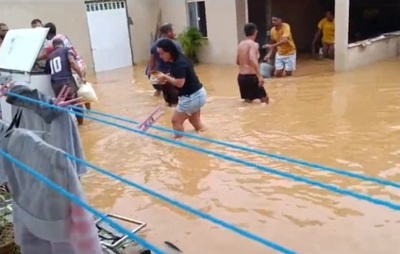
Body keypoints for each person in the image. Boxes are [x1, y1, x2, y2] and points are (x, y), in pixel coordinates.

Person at [155, 39, 207, 139]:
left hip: (191, 97)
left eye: (162, 54)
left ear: (169, 51)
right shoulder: (180, 58)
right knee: (195, 121)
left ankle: (180, 145)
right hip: (199, 94)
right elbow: (182, 76)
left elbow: (180, 83)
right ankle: (207, 139)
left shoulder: (178, 63)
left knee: (176, 121)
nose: (160, 57)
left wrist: (165, 77)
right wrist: (167, 77)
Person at [42, 22, 91, 110]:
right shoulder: (62, 37)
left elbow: (47, 66)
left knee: (66, 103)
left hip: (62, 78)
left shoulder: (51, 48)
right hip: (77, 67)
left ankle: (75, 119)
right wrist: (82, 76)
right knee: (82, 94)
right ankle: (88, 114)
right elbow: (72, 60)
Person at [45, 39, 85, 125]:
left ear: (54, 46)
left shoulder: (49, 56)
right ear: (62, 44)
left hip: (55, 85)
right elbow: (72, 62)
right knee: (76, 103)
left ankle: (66, 127)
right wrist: (82, 76)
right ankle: (81, 126)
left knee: (62, 107)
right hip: (67, 82)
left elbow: (47, 72)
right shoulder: (66, 50)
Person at [147, 23, 182, 106]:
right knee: (174, 102)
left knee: (164, 96)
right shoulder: (175, 45)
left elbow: (152, 61)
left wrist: (150, 73)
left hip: (157, 75)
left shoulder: (154, 44)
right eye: (173, 31)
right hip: (170, 76)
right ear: (169, 32)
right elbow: (180, 61)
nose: (175, 33)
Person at [236, 23, 268, 104]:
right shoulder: (253, 44)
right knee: (265, 101)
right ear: (255, 32)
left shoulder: (241, 44)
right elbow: (252, 58)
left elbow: (237, 61)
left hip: (241, 77)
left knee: (248, 102)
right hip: (251, 77)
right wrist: (260, 76)